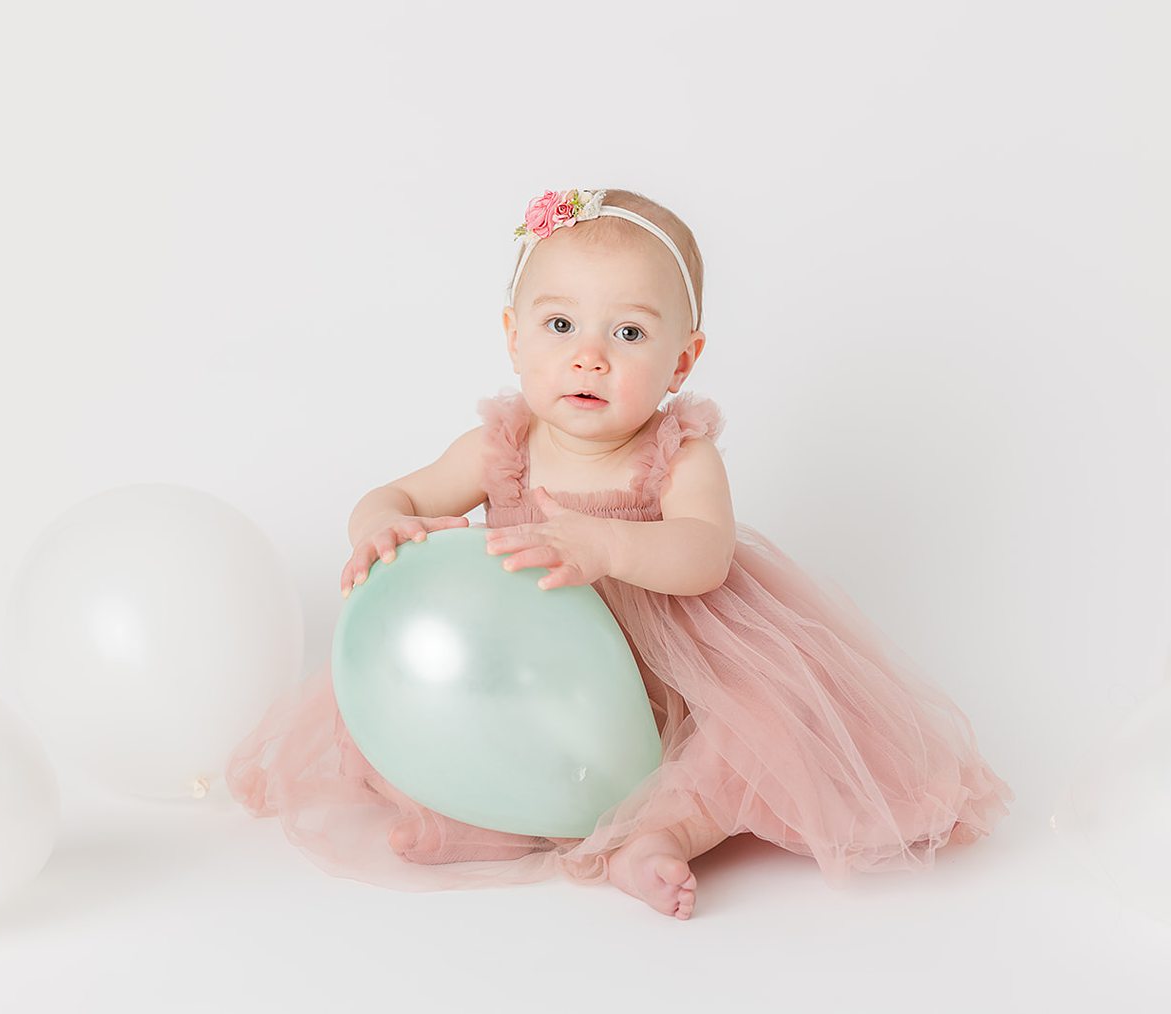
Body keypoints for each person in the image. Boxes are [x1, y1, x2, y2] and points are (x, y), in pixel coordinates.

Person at [226, 187, 1014, 920]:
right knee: (423, 723)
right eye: (560, 325)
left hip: (670, 675)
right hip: (527, 685)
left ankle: (661, 835)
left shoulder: (680, 456)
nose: (590, 356)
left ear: (681, 360)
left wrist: (607, 543)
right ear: (513, 336)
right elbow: (395, 497)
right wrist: (380, 526)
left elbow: (704, 553)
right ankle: (493, 817)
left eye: (628, 333)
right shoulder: (498, 447)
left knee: (749, 743)